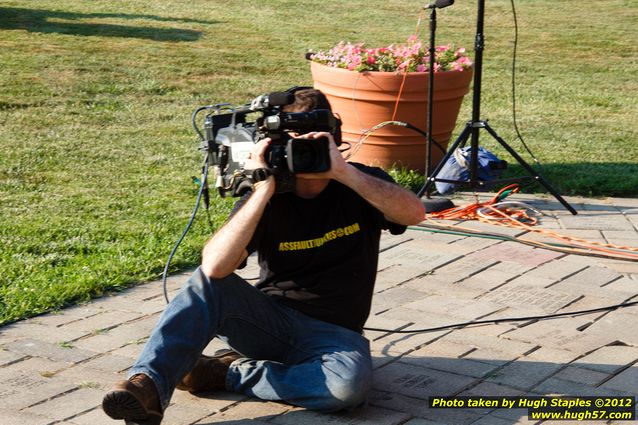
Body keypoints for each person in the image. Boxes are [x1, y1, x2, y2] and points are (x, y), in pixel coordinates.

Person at [102, 89, 425, 424]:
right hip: (267, 321)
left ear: (334, 139)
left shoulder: (361, 182)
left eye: (314, 142)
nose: (303, 151)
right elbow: (214, 266)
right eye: (293, 143)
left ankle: (225, 373)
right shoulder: (268, 192)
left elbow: (414, 214)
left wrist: (343, 173)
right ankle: (149, 385)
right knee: (206, 281)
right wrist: (262, 189)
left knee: (347, 389)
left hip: (336, 333)